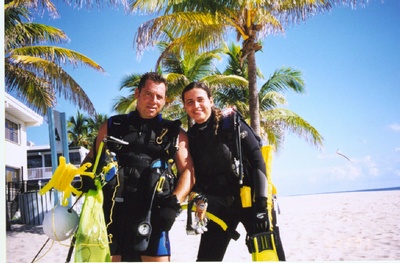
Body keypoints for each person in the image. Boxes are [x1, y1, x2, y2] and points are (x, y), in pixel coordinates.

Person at [77, 72, 195, 262]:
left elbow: (188, 172)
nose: (153, 101)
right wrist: (85, 176)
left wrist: (173, 204)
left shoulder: (174, 133)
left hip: (154, 213)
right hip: (113, 214)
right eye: (148, 94)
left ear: (165, 101)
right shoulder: (112, 126)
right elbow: (91, 158)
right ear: (137, 93)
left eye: (159, 97)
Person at [181, 81, 271, 261]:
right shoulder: (190, 137)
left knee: (269, 256)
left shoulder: (231, 123)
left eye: (200, 99)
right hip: (217, 207)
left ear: (211, 101)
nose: (196, 105)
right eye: (189, 102)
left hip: (249, 202)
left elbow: (257, 161)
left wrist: (261, 205)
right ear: (184, 107)